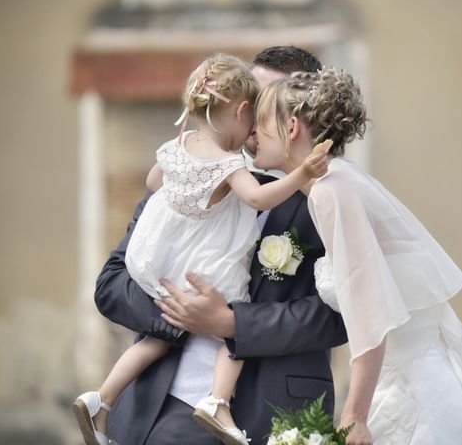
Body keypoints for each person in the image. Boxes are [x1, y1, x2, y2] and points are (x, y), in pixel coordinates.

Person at [92, 46, 348, 445]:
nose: (254, 121)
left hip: (271, 412)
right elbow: (111, 283)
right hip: (162, 405)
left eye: (269, 105)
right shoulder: (189, 174)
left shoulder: (327, 199)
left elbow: (343, 316)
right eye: (251, 104)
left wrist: (231, 324)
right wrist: (177, 314)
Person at [244, 69, 462, 444]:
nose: (252, 134)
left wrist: (354, 415)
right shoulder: (341, 179)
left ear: (292, 127)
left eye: (261, 122)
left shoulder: (330, 191)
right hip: (401, 374)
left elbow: (371, 312)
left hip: (410, 387)